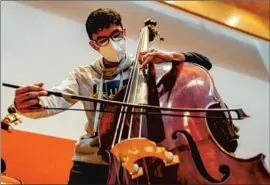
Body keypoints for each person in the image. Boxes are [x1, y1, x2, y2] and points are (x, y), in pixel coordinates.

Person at [12, 8, 212, 184]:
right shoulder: (84, 75)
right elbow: (56, 98)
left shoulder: (148, 67)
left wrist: (174, 57)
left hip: (140, 162)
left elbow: (204, 64)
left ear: (124, 33)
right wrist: (31, 104)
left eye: (116, 35)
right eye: (103, 39)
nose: (112, 43)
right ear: (94, 45)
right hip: (92, 164)